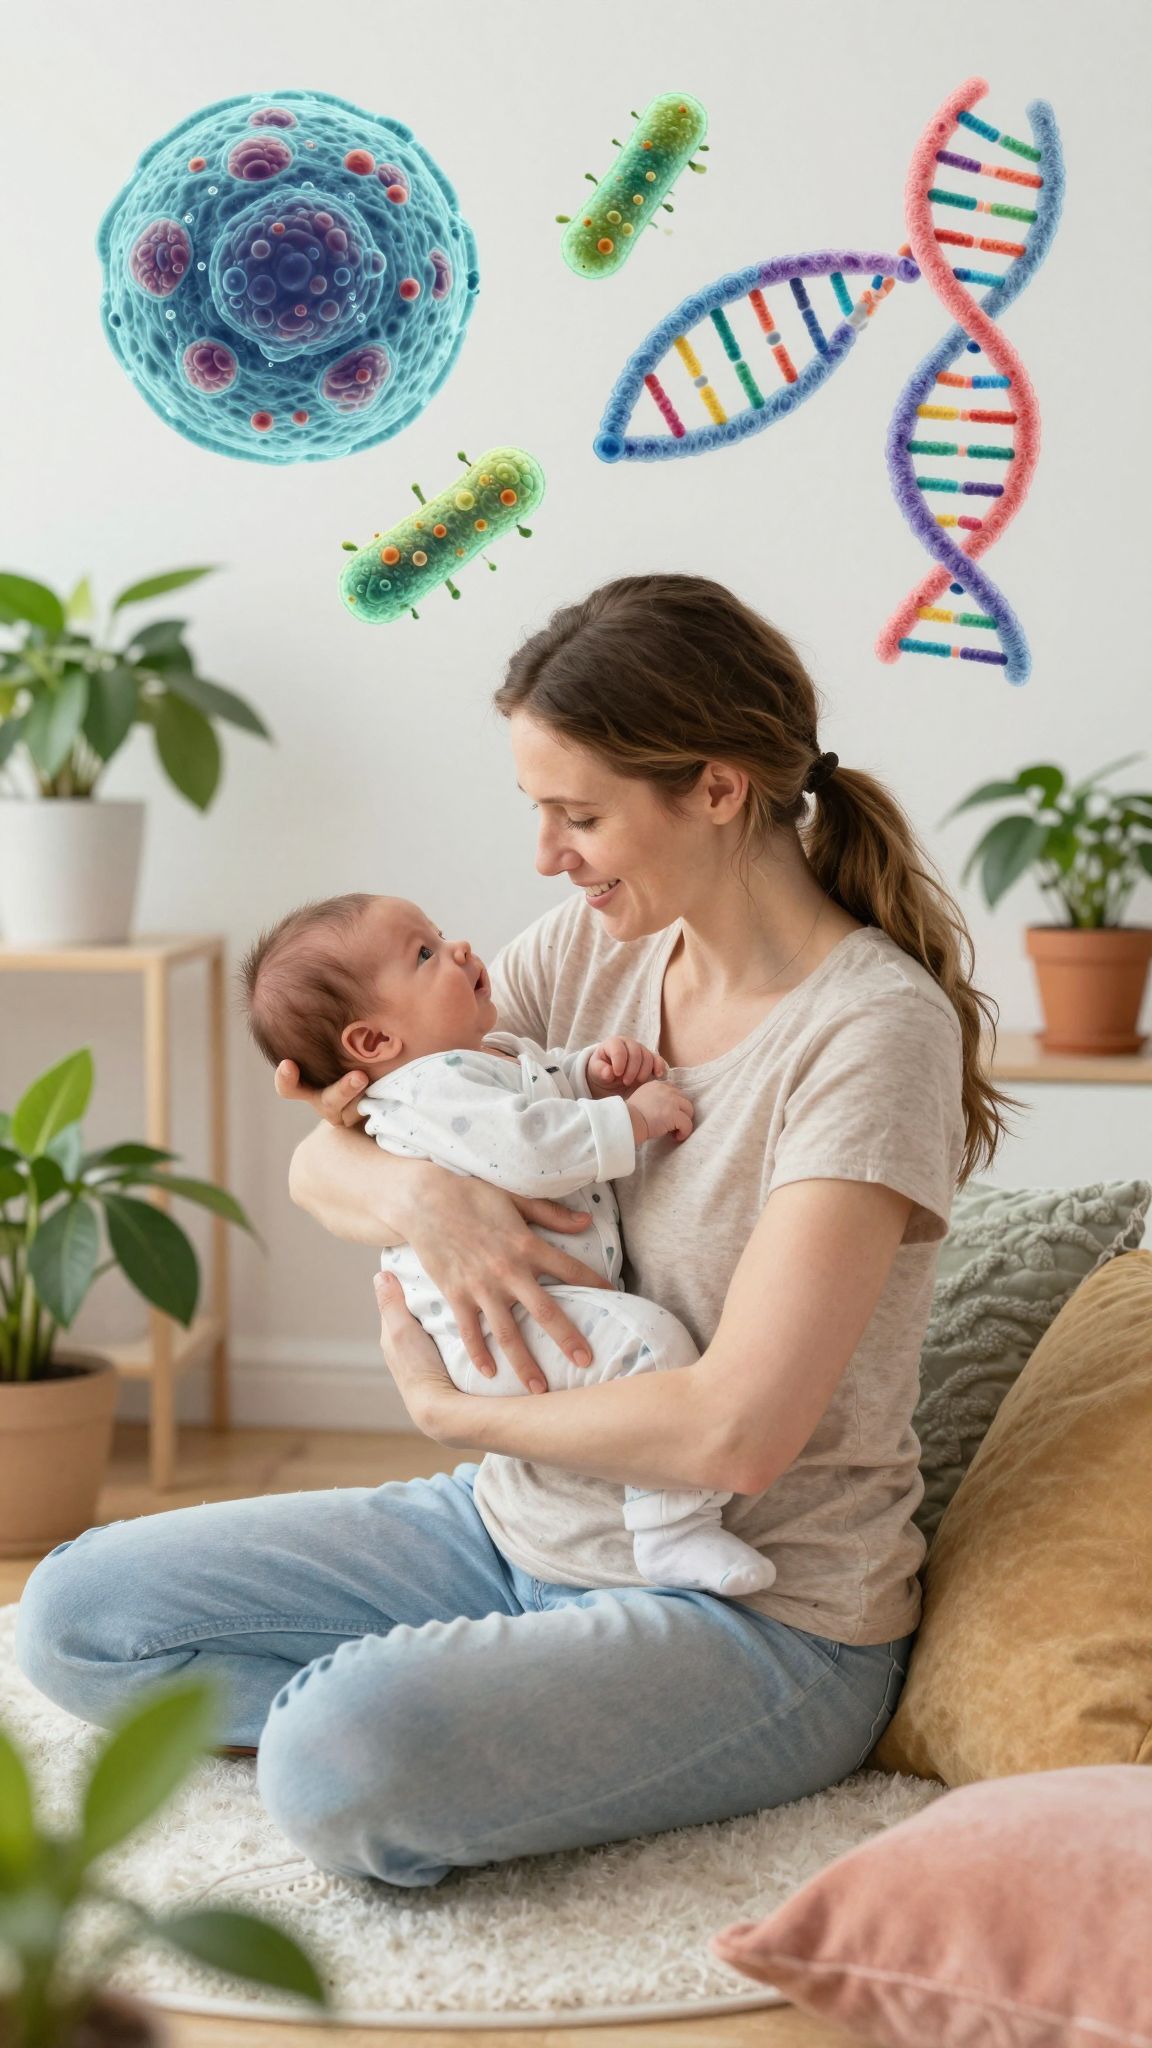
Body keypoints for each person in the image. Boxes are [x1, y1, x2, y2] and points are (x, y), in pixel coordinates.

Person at [15, 574, 1017, 1892]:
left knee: (336, 1761)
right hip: (513, 1526)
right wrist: (426, 1201)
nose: (548, 855)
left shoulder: (869, 1034)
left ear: (718, 789)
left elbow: (736, 1433)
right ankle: (501, 1698)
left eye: (580, 815)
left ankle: (470, 1707)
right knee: (76, 1617)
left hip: (757, 1609)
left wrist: (457, 1412)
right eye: (538, 811)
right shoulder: (589, 954)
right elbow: (327, 1159)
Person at [237, 889, 775, 1596]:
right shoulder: (432, 1087)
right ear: (373, 1043)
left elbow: (537, 1089)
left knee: (647, 1351)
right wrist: (632, 1118)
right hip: (503, 1328)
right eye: (425, 954)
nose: (458, 948)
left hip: (538, 1314)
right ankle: (670, 1530)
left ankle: (665, 1526)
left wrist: (589, 1073)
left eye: (440, 934)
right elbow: (530, 1149)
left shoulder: (475, 1057)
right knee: (650, 1348)